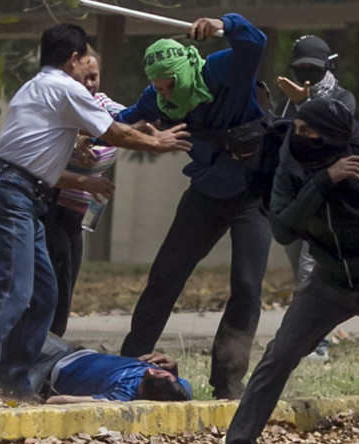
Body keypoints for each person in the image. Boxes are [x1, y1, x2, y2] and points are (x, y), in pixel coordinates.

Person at [202, 98, 359, 444]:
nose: (301, 139)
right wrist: (323, 181)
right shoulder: (290, 174)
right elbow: (282, 229)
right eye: (297, 130)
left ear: (334, 136)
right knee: (276, 360)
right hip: (327, 283)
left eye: (311, 132)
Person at [0, 23, 191, 401]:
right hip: (12, 192)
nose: (91, 74)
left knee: (44, 293)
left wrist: (134, 125)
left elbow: (111, 124)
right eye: (88, 63)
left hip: (25, 195)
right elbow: (115, 132)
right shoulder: (62, 87)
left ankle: (13, 377)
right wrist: (158, 142)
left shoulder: (43, 86)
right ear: (73, 58)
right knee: (12, 289)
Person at [116, 14, 272, 400]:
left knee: (247, 286)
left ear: (182, 72)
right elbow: (119, 122)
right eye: (157, 88)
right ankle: (129, 367)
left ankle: (228, 380)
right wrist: (86, 133)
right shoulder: (157, 97)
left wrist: (224, 23)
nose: (164, 96)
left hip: (252, 193)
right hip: (205, 192)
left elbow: (255, 40)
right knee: (165, 277)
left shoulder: (224, 68)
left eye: (167, 86)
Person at [275, 35, 356, 362]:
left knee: (310, 273)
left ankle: (314, 346)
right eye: (300, 68)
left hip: (324, 200)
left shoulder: (343, 97)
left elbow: (331, 132)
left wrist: (303, 104)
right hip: (293, 198)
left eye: (313, 69)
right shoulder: (286, 99)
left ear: (328, 66)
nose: (306, 74)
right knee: (301, 271)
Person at [44, 46, 123, 337]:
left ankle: (53, 349)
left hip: (79, 212)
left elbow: (127, 119)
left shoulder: (101, 103)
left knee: (66, 282)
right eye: (83, 78)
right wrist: (78, 140)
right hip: (50, 207)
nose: (89, 84)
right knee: (51, 283)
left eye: (94, 77)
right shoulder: (61, 105)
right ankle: (37, 348)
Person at [27, 334, 191, 404]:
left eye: (146, 378)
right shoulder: (183, 390)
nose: (148, 370)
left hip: (48, 370)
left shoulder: (121, 397)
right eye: (157, 371)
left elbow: (53, 402)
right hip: (71, 352)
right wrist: (174, 367)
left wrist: (97, 403)